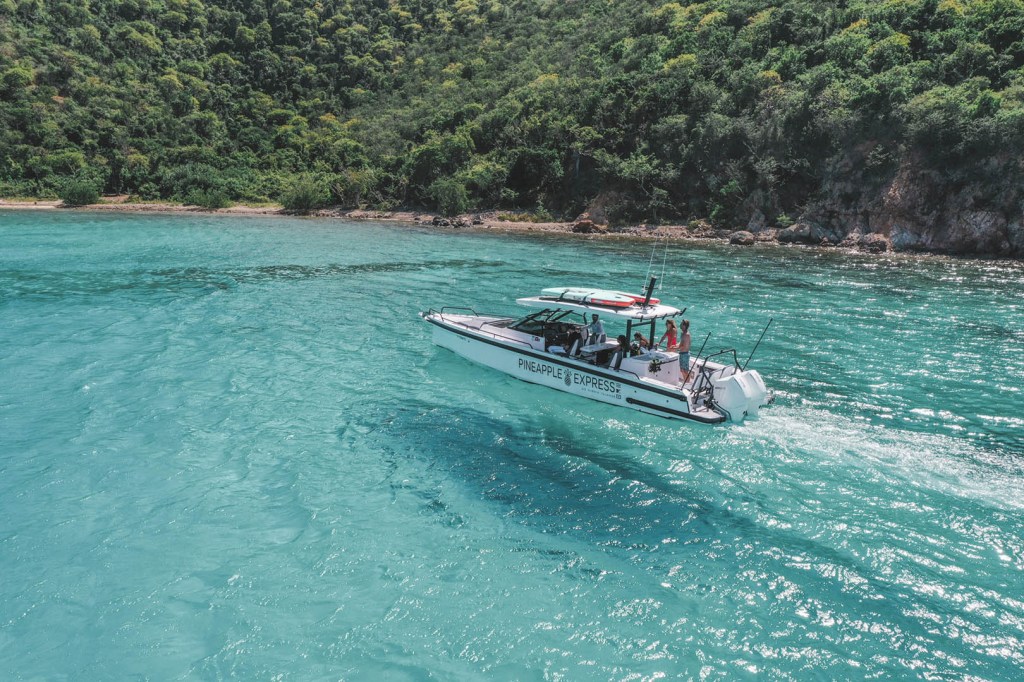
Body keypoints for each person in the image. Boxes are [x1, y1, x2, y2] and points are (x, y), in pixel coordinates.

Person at [678, 319, 692, 383]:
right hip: (682, 353)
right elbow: (681, 343)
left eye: (681, 324)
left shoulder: (686, 335)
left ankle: (687, 383)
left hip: (685, 354)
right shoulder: (682, 333)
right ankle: (685, 382)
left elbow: (685, 346)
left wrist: (676, 348)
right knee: (682, 370)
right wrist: (675, 346)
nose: (680, 325)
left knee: (685, 371)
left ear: (684, 325)